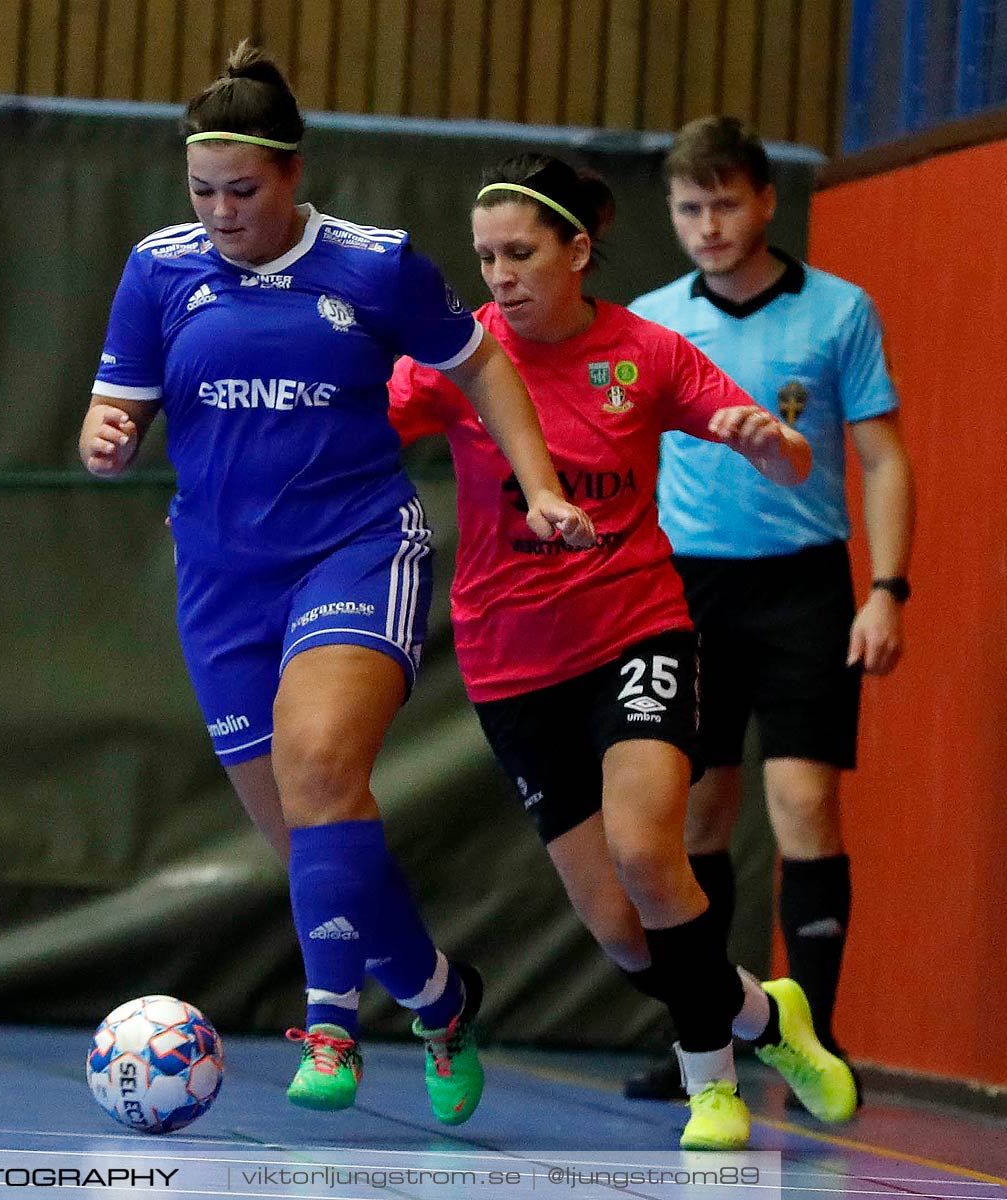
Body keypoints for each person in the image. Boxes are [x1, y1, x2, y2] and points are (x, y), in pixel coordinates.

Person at [79, 44, 595, 1123]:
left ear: (293, 171)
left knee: (320, 763)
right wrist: (109, 434)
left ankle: (330, 1026)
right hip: (221, 582)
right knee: (314, 845)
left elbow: (481, 364)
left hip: (353, 549)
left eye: (243, 189)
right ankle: (438, 995)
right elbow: (112, 403)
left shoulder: (375, 267)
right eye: (202, 190)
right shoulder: (158, 270)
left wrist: (537, 485)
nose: (221, 211)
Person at [389, 152, 857, 1150]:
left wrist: (767, 442)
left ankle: (710, 1089)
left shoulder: (642, 353)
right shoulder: (460, 355)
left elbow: (784, 452)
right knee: (614, 926)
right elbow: (359, 427)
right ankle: (767, 1018)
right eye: (484, 257)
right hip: (510, 660)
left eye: (519, 253)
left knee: (649, 849)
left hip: (633, 628)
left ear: (577, 250)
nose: (499, 275)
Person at [623, 116, 915, 1104]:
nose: (705, 225)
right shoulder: (651, 320)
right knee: (692, 810)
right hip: (683, 589)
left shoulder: (838, 313)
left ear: (761, 202)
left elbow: (880, 458)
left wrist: (884, 589)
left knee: (801, 804)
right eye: (686, 207)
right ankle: (700, 1039)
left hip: (802, 587)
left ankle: (812, 1042)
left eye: (722, 204)